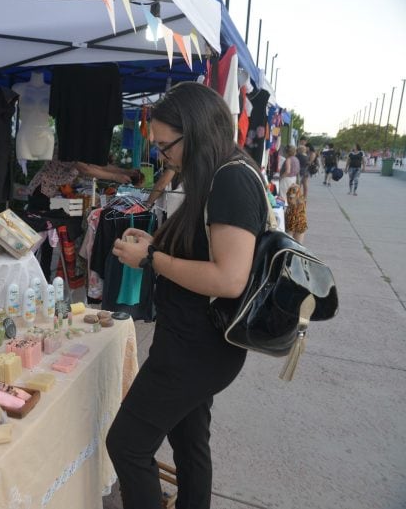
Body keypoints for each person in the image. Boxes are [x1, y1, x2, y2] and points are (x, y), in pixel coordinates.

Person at [107, 82, 267, 509]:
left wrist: (151, 261)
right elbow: (203, 246)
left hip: (196, 349)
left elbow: (229, 278)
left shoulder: (231, 179)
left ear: (194, 131)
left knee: (127, 444)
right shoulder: (216, 174)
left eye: (165, 145)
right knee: (189, 441)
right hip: (195, 342)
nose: (162, 155)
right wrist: (157, 244)